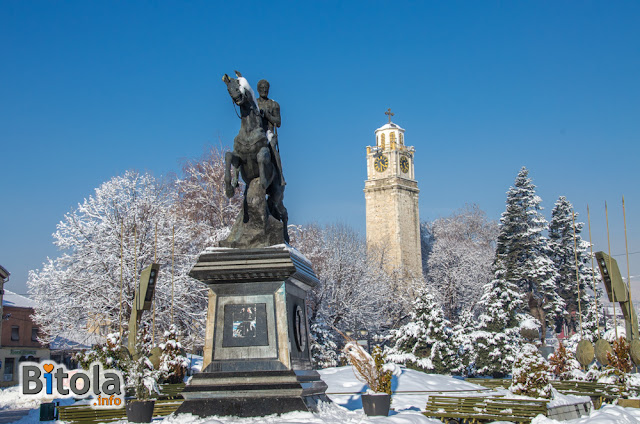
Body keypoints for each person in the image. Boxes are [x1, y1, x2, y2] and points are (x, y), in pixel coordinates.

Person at [256, 79, 285, 185]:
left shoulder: (274, 104)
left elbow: (278, 122)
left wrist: (267, 115)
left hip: (269, 133)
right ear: (258, 89)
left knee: (272, 148)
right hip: (257, 133)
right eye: (262, 88)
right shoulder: (254, 103)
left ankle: (280, 176)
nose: (264, 90)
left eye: (266, 88)